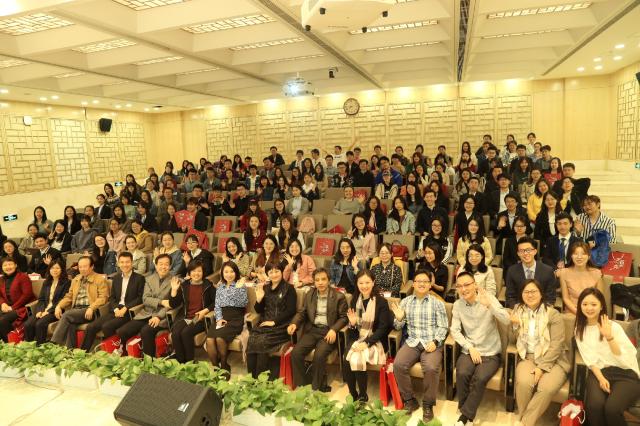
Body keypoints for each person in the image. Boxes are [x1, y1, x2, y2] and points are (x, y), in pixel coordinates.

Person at [451, 271, 510, 426]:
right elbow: (454, 330)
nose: (463, 289)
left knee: (480, 378)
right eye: (459, 286)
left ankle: (465, 417)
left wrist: (489, 306)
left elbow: (506, 320)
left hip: (490, 352)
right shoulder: (458, 305)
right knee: (462, 373)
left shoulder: (488, 298)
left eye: (467, 284)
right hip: (470, 350)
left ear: (475, 285)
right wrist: (469, 347)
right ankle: (467, 413)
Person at [574, 287, 640, 426]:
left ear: (601, 306)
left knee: (612, 409)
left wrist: (609, 337)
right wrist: (601, 378)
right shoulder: (579, 330)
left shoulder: (613, 326)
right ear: (580, 306)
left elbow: (625, 356)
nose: (589, 308)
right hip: (600, 372)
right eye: (585, 304)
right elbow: (590, 360)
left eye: (594, 304)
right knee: (594, 407)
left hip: (625, 373)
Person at [390, 269, 448, 423]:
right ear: (413, 284)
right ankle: (409, 400)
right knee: (398, 364)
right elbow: (397, 327)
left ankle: (428, 404)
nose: (421, 284)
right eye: (418, 281)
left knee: (431, 368)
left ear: (430, 285)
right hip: (413, 341)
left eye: (425, 281)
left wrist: (435, 342)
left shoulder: (438, 303)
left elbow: (443, 327)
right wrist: (399, 319)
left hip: (431, 342)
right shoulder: (406, 302)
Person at [510, 279, 570, 426]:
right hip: (528, 357)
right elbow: (511, 340)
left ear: (541, 294)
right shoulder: (517, 311)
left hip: (554, 359)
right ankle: (527, 420)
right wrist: (515, 325)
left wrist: (541, 367)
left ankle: (524, 422)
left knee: (546, 388)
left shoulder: (553, 314)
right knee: (523, 383)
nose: (530, 295)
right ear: (521, 294)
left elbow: (557, 344)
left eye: (533, 291)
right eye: (526, 292)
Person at [288, 268, 348, 390]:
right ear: (314, 282)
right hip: (313, 330)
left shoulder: (339, 296)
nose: (320, 282)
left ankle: (316, 387)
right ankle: (303, 385)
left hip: (328, 331)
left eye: (323, 279)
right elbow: (303, 312)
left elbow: (344, 317)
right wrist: (294, 323)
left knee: (319, 355)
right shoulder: (310, 294)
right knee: (296, 353)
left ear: (328, 280)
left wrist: (334, 329)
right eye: (317, 280)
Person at [342, 269, 391, 402]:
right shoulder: (354, 300)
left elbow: (383, 329)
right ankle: (353, 394)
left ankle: (363, 395)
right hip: (358, 338)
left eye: (367, 282)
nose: (364, 286)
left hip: (375, 340)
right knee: (346, 359)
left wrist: (367, 343)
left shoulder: (381, 302)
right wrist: (352, 324)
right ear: (357, 284)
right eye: (361, 283)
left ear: (373, 282)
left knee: (356, 358)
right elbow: (353, 331)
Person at [80, 252, 145, 351]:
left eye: (127, 262)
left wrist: (125, 308)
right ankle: (83, 352)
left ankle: (112, 351)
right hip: (115, 310)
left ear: (132, 263)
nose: (125, 265)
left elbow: (140, 298)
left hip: (129, 311)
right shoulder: (117, 278)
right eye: (122, 262)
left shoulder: (140, 278)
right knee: (91, 326)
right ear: (118, 263)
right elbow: (112, 297)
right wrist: (115, 309)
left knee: (107, 327)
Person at [116, 254, 174, 357]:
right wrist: (161, 302)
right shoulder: (149, 279)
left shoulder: (175, 281)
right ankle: (129, 356)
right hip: (146, 313)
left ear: (170, 266)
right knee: (122, 331)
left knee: (146, 331)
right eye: (160, 264)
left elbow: (172, 304)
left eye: (166, 264)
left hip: (162, 316)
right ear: (156, 265)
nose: (163, 267)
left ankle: (149, 360)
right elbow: (145, 299)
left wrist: (159, 316)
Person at [246, 262, 297, 379]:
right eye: (271, 272)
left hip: (281, 326)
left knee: (262, 342)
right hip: (265, 324)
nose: (274, 274)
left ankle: (261, 380)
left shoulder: (289, 288)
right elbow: (258, 310)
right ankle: (251, 378)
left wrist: (274, 322)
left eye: (277, 271)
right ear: (267, 274)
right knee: (251, 340)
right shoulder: (265, 288)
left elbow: (291, 310)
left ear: (282, 272)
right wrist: (259, 299)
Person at [50, 256, 109, 348]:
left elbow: (103, 297)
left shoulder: (100, 279)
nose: (82, 269)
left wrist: (91, 308)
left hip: (90, 311)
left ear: (92, 266)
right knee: (71, 324)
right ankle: (70, 351)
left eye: (85, 266)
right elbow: (69, 296)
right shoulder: (76, 279)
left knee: (67, 315)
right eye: (80, 267)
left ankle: (53, 344)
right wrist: (59, 306)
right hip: (76, 311)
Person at [168, 261, 215, 363]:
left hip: (199, 318)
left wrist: (205, 310)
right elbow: (174, 304)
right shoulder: (184, 285)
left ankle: (190, 362)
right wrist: (174, 290)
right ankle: (181, 361)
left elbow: (216, 302)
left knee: (186, 333)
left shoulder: (208, 285)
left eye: (199, 271)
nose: (196, 273)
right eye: (193, 271)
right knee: (175, 333)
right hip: (185, 317)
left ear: (203, 272)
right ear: (189, 273)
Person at [207, 261, 248, 373]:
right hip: (222, 316)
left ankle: (225, 366)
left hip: (235, 317)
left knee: (220, 338)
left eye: (231, 271)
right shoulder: (220, 286)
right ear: (222, 273)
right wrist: (219, 318)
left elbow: (243, 303)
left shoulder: (241, 285)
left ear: (236, 273)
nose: (229, 274)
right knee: (209, 339)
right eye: (226, 272)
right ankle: (216, 368)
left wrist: (238, 289)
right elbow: (217, 305)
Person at [23, 259, 70, 344]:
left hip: (56, 311)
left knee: (40, 324)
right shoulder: (46, 282)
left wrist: (48, 311)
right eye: (52, 268)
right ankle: (29, 346)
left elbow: (62, 300)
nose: (54, 270)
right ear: (49, 270)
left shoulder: (67, 282)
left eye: (57, 268)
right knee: (28, 324)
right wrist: (39, 311)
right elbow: (41, 299)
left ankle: (40, 347)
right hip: (44, 309)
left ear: (62, 269)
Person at [505, 237, 556, 308]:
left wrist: (541, 311)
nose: (525, 253)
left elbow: (550, 297)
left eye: (528, 250)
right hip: (520, 309)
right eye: (522, 251)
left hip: (541, 310)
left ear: (535, 251)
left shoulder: (548, 271)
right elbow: (510, 297)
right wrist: (520, 310)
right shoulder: (512, 271)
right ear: (518, 253)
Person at [558, 242, 603, 314]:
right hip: (572, 312)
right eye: (576, 254)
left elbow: (599, 298)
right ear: (571, 256)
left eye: (583, 254)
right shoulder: (564, 273)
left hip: (591, 312)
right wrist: (578, 313)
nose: (579, 257)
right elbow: (565, 298)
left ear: (589, 256)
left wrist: (588, 312)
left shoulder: (597, 273)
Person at [0, 258, 35, 342]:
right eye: (5, 265)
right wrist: (3, 304)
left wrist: (12, 307)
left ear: (15, 265)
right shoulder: (1, 279)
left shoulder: (23, 276)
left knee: (3, 320)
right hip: (7, 307)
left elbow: (27, 295)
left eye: (10, 264)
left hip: (22, 307)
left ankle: (10, 343)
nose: (8, 267)